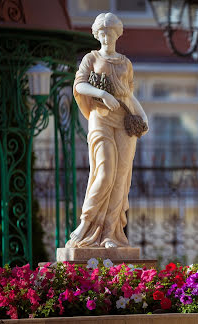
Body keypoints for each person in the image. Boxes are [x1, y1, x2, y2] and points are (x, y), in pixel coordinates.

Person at [65, 12, 148, 249]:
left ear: (117, 34)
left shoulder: (125, 63)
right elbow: (79, 85)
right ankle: (86, 222)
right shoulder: (90, 59)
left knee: (121, 178)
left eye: (110, 32)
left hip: (125, 123)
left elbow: (128, 95)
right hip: (100, 119)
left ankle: (111, 232)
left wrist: (142, 116)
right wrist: (102, 94)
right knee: (105, 172)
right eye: (102, 32)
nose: (106, 37)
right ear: (96, 34)